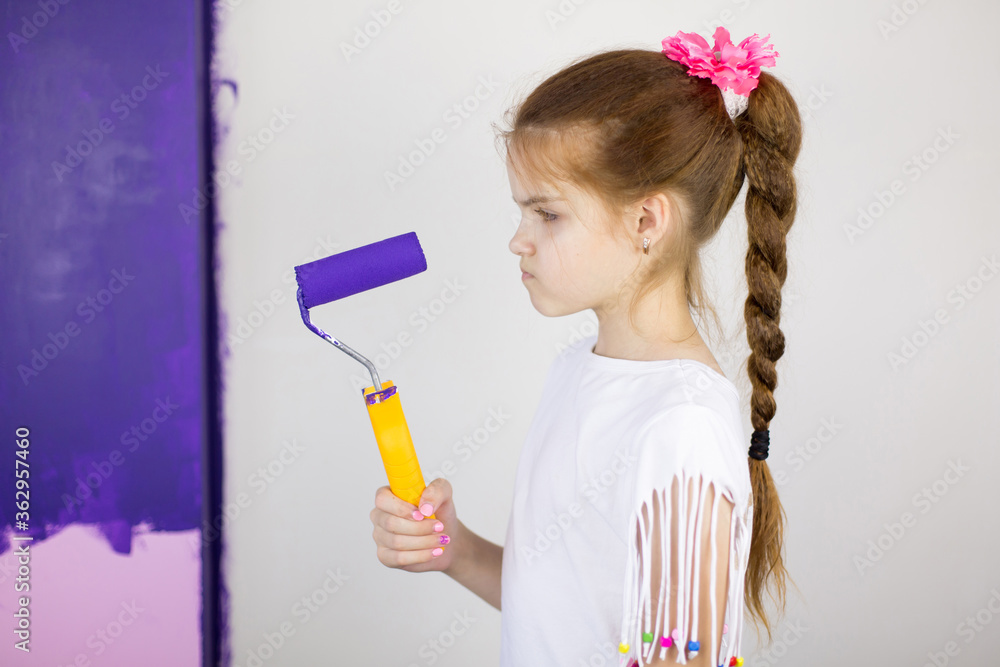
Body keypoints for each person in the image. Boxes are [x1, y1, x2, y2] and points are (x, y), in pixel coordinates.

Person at [369, 27, 802, 667]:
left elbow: (683, 656)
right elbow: (560, 607)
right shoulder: (578, 370)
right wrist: (455, 550)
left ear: (645, 221)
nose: (518, 240)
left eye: (547, 214)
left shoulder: (679, 428)